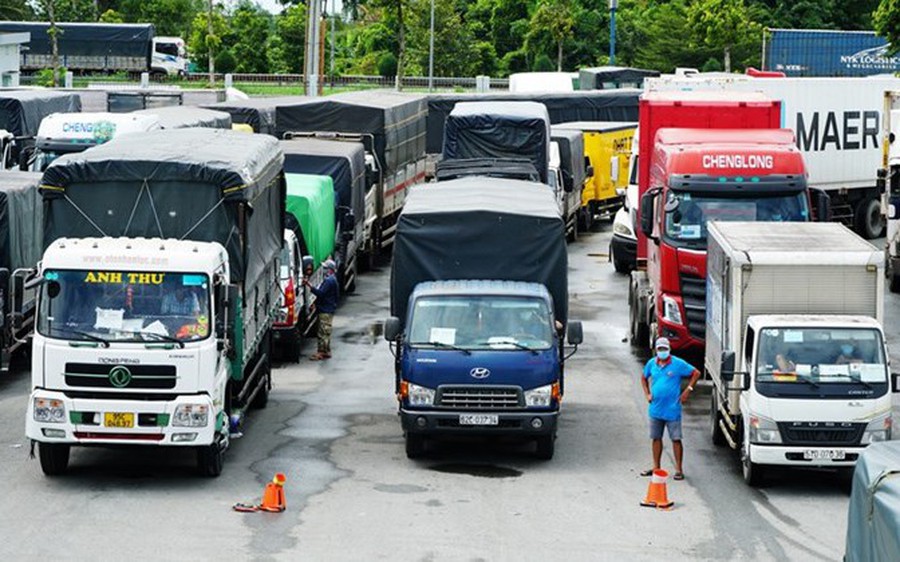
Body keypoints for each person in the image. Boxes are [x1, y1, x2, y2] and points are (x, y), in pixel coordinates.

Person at [640, 337, 701, 481]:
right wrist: (647, 394)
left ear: (669, 349)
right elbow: (643, 378)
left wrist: (688, 390)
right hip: (655, 409)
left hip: (672, 409)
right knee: (656, 438)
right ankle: (656, 467)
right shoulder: (651, 364)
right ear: (656, 350)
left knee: (676, 439)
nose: (662, 352)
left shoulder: (677, 364)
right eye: (660, 349)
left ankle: (679, 469)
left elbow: (696, 373)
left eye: (664, 349)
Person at [305, 259, 339, 361]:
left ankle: (321, 352)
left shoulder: (329, 281)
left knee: (322, 332)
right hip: (328, 308)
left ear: (330, 270)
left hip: (326, 310)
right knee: (326, 331)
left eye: (325, 268)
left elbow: (321, 293)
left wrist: (309, 286)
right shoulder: (332, 279)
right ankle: (326, 351)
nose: (323, 270)